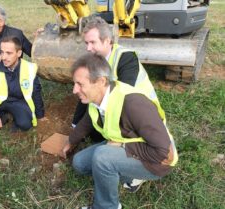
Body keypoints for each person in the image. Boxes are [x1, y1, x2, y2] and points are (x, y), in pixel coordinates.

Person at [62, 53, 178, 209]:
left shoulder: (133, 103)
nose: (74, 90)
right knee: (80, 163)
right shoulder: (98, 97)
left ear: (101, 81)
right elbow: (88, 120)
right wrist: (71, 141)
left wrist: (121, 146)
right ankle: (127, 175)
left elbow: (163, 153)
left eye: (80, 84)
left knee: (103, 157)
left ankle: (107, 206)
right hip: (128, 144)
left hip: (156, 161)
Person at [72, 16, 157, 128]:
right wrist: (75, 123)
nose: (88, 48)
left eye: (92, 42)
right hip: (119, 106)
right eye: (86, 43)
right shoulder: (95, 59)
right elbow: (86, 89)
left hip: (143, 112)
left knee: (100, 132)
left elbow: (122, 100)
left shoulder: (126, 59)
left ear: (107, 40)